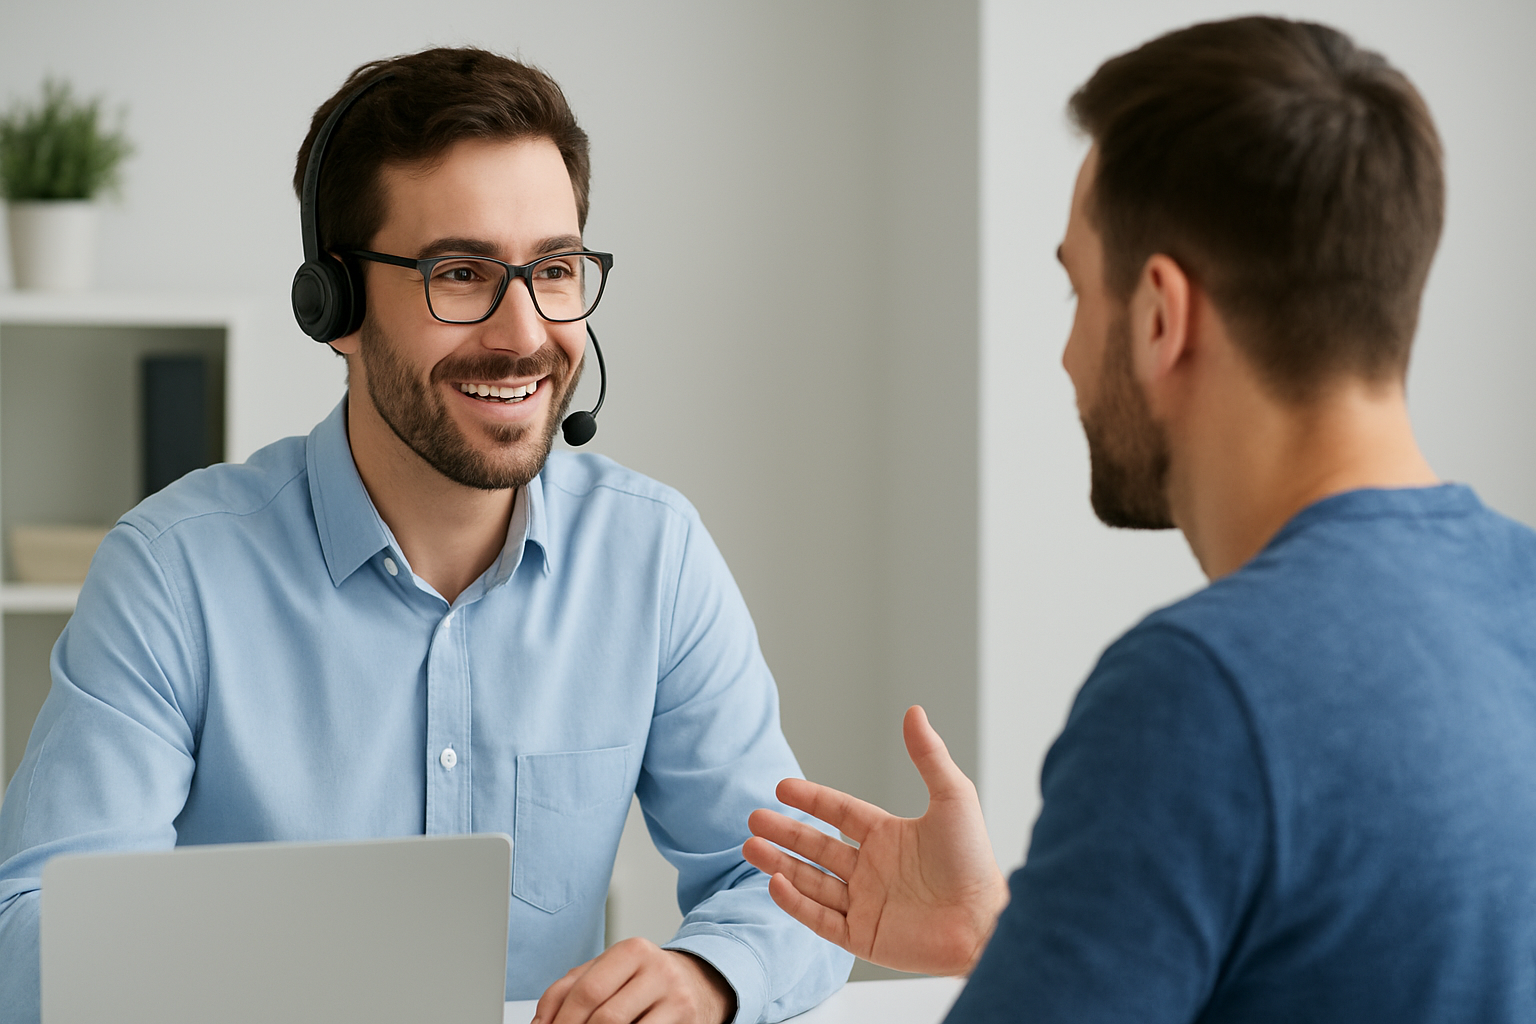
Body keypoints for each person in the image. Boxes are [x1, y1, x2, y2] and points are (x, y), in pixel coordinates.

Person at [0, 47, 850, 1024]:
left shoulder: (652, 556)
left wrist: (708, 977)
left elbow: (798, 897)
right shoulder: (174, 571)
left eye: (556, 269)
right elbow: (30, 935)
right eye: (461, 273)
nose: (525, 331)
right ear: (335, 306)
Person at [745, 16, 1536, 1023]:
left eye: (1079, 291)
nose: (1070, 357)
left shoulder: (1200, 694)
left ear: (1162, 315)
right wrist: (1013, 937)